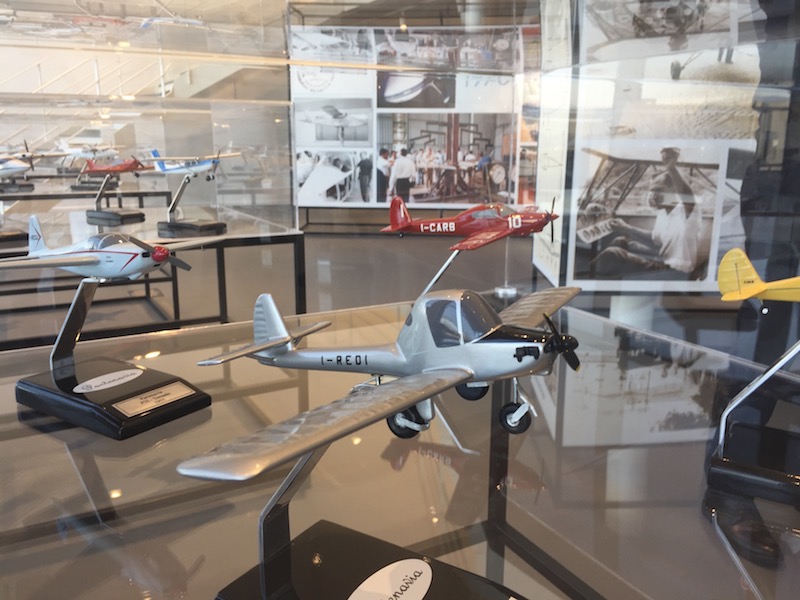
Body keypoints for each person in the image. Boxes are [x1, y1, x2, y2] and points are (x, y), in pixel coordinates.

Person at [591, 147, 703, 278]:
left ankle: (587, 279)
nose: (653, 195)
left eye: (658, 190)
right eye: (652, 190)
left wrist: (671, 167)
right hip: (660, 259)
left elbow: (687, 196)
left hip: (675, 272)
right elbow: (656, 240)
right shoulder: (663, 213)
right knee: (620, 241)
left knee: (612, 254)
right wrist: (626, 228)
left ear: (674, 190)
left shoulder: (687, 211)